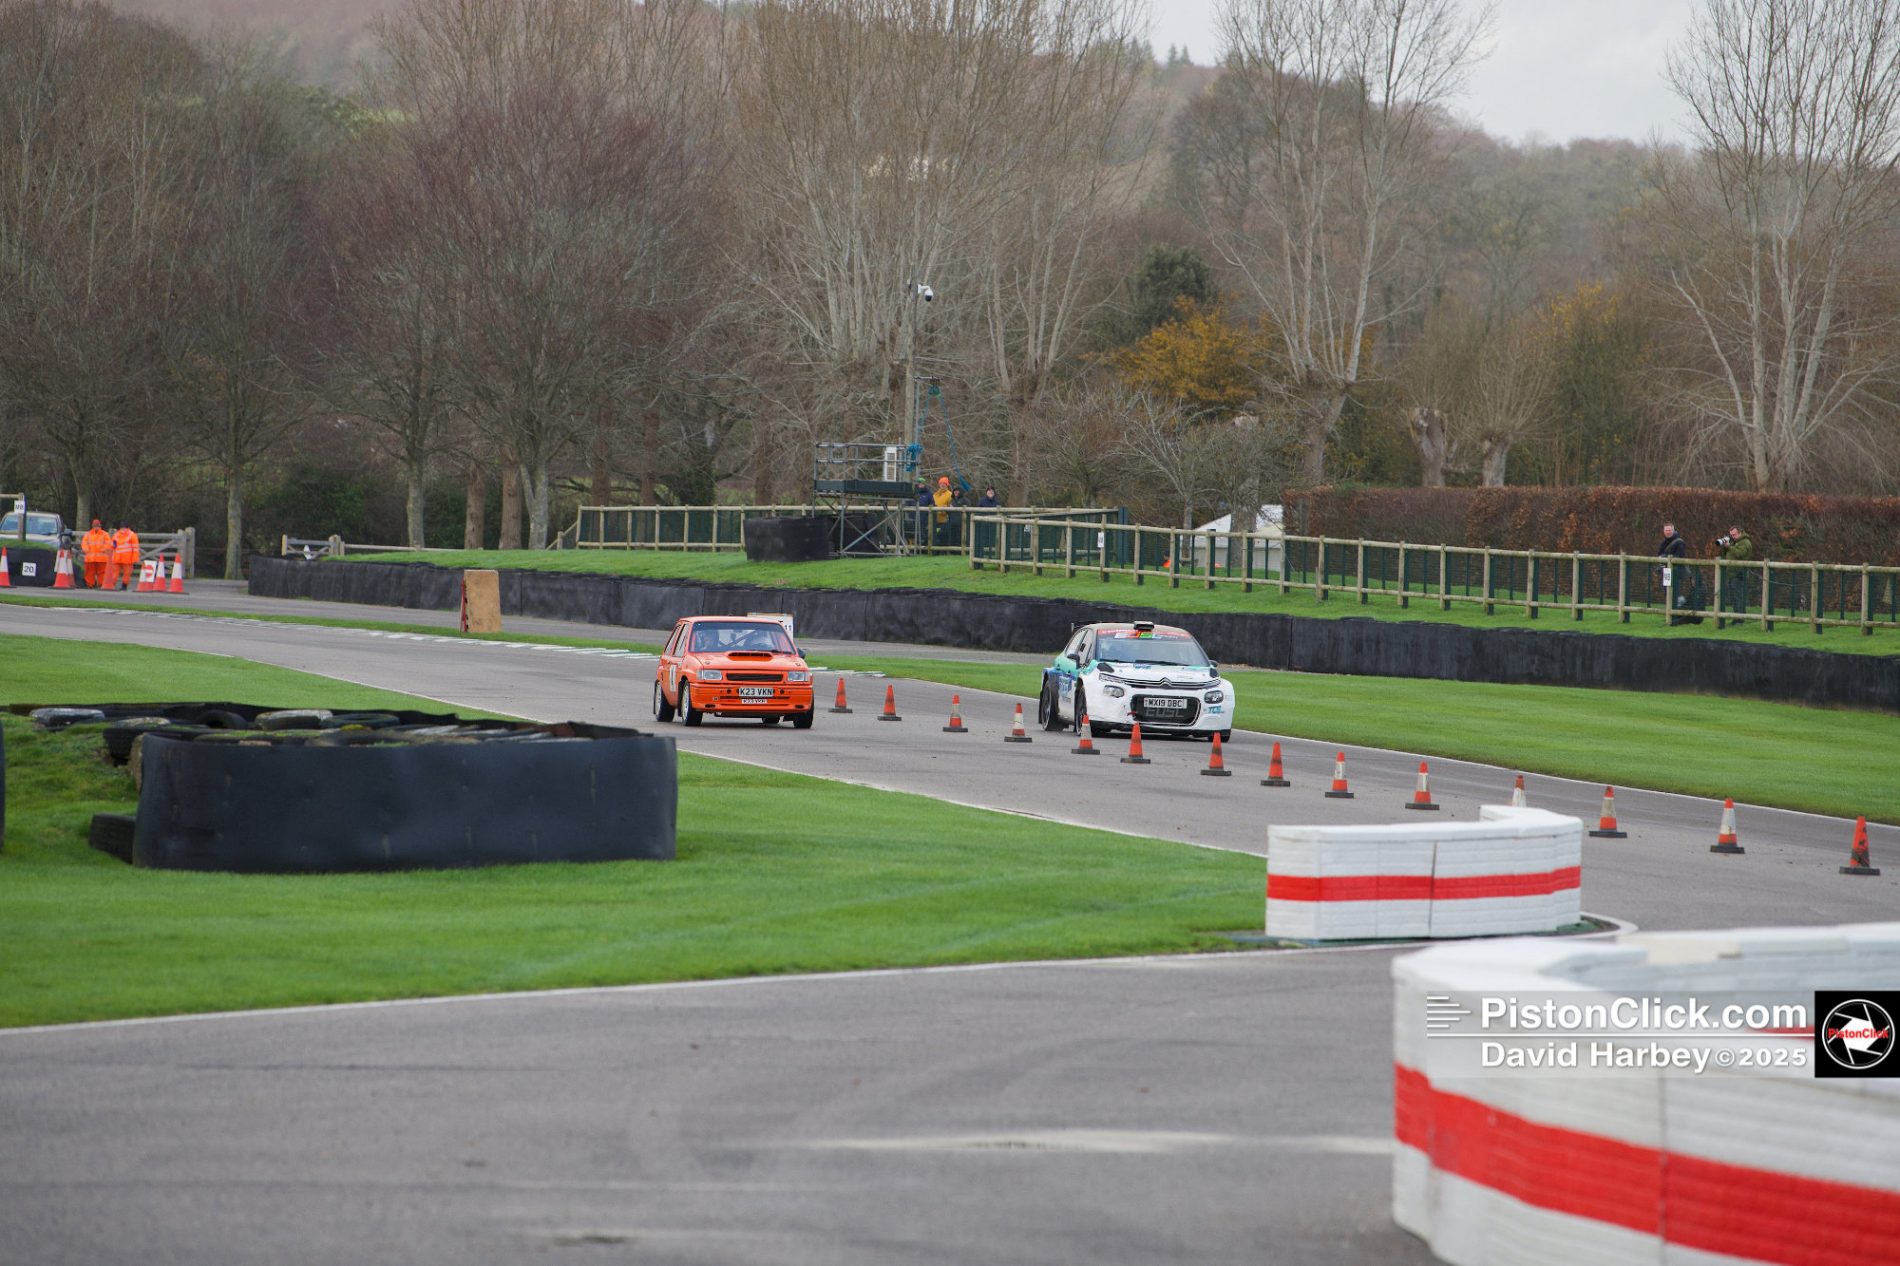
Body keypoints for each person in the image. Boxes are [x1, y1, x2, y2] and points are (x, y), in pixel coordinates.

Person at [1656, 521, 1700, 624]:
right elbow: (1659, 554)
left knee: (1674, 593)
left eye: (1669, 530)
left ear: (1673, 529)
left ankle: (1677, 614)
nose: (1667, 532)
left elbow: (1680, 556)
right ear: (1663, 531)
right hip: (1666, 571)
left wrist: (1666, 558)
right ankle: (1670, 615)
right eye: (1666, 530)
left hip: (1676, 571)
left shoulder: (1679, 542)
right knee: (1667, 592)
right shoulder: (1664, 542)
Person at [1716, 523, 1754, 613]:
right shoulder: (1734, 542)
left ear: (1740, 533)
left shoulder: (1745, 542)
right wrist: (1724, 547)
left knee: (1738, 597)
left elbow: (1739, 554)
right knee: (1733, 597)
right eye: (1731, 535)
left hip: (1740, 573)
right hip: (1731, 573)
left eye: (1734, 534)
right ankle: (1736, 618)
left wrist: (1729, 547)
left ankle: (1740, 619)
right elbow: (1723, 555)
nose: (1732, 536)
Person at [80, 518, 112, 589]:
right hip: (90, 558)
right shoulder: (88, 534)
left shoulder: (105, 534)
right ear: (92, 526)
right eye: (95, 526)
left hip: (101, 558)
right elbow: (84, 544)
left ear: (100, 526)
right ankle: (90, 584)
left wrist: (103, 549)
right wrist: (86, 550)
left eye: (97, 526)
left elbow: (109, 544)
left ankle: (101, 584)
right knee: (89, 572)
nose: (96, 527)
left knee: (102, 573)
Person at [110, 522, 140, 591]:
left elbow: (135, 548)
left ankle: (118, 586)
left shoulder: (118, 534)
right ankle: (117, 586)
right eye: (122, 528)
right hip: (122, 558)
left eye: (123, 528)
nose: (123, 529)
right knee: (120, 574)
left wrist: (134, 559)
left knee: (122, 574)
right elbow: (112, 545)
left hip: (122, 558)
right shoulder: (130, 535)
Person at [931, 475, 954, 546]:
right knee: (934, 535)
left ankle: (944, 550)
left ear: (947, 484)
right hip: (935, 519)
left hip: (944, 520)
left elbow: (951, 506)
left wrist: (944, 511)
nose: (942, 485)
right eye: (941, 483)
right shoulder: (935, 494)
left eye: (944, 483)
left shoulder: (950, 494)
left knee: (943, 535)